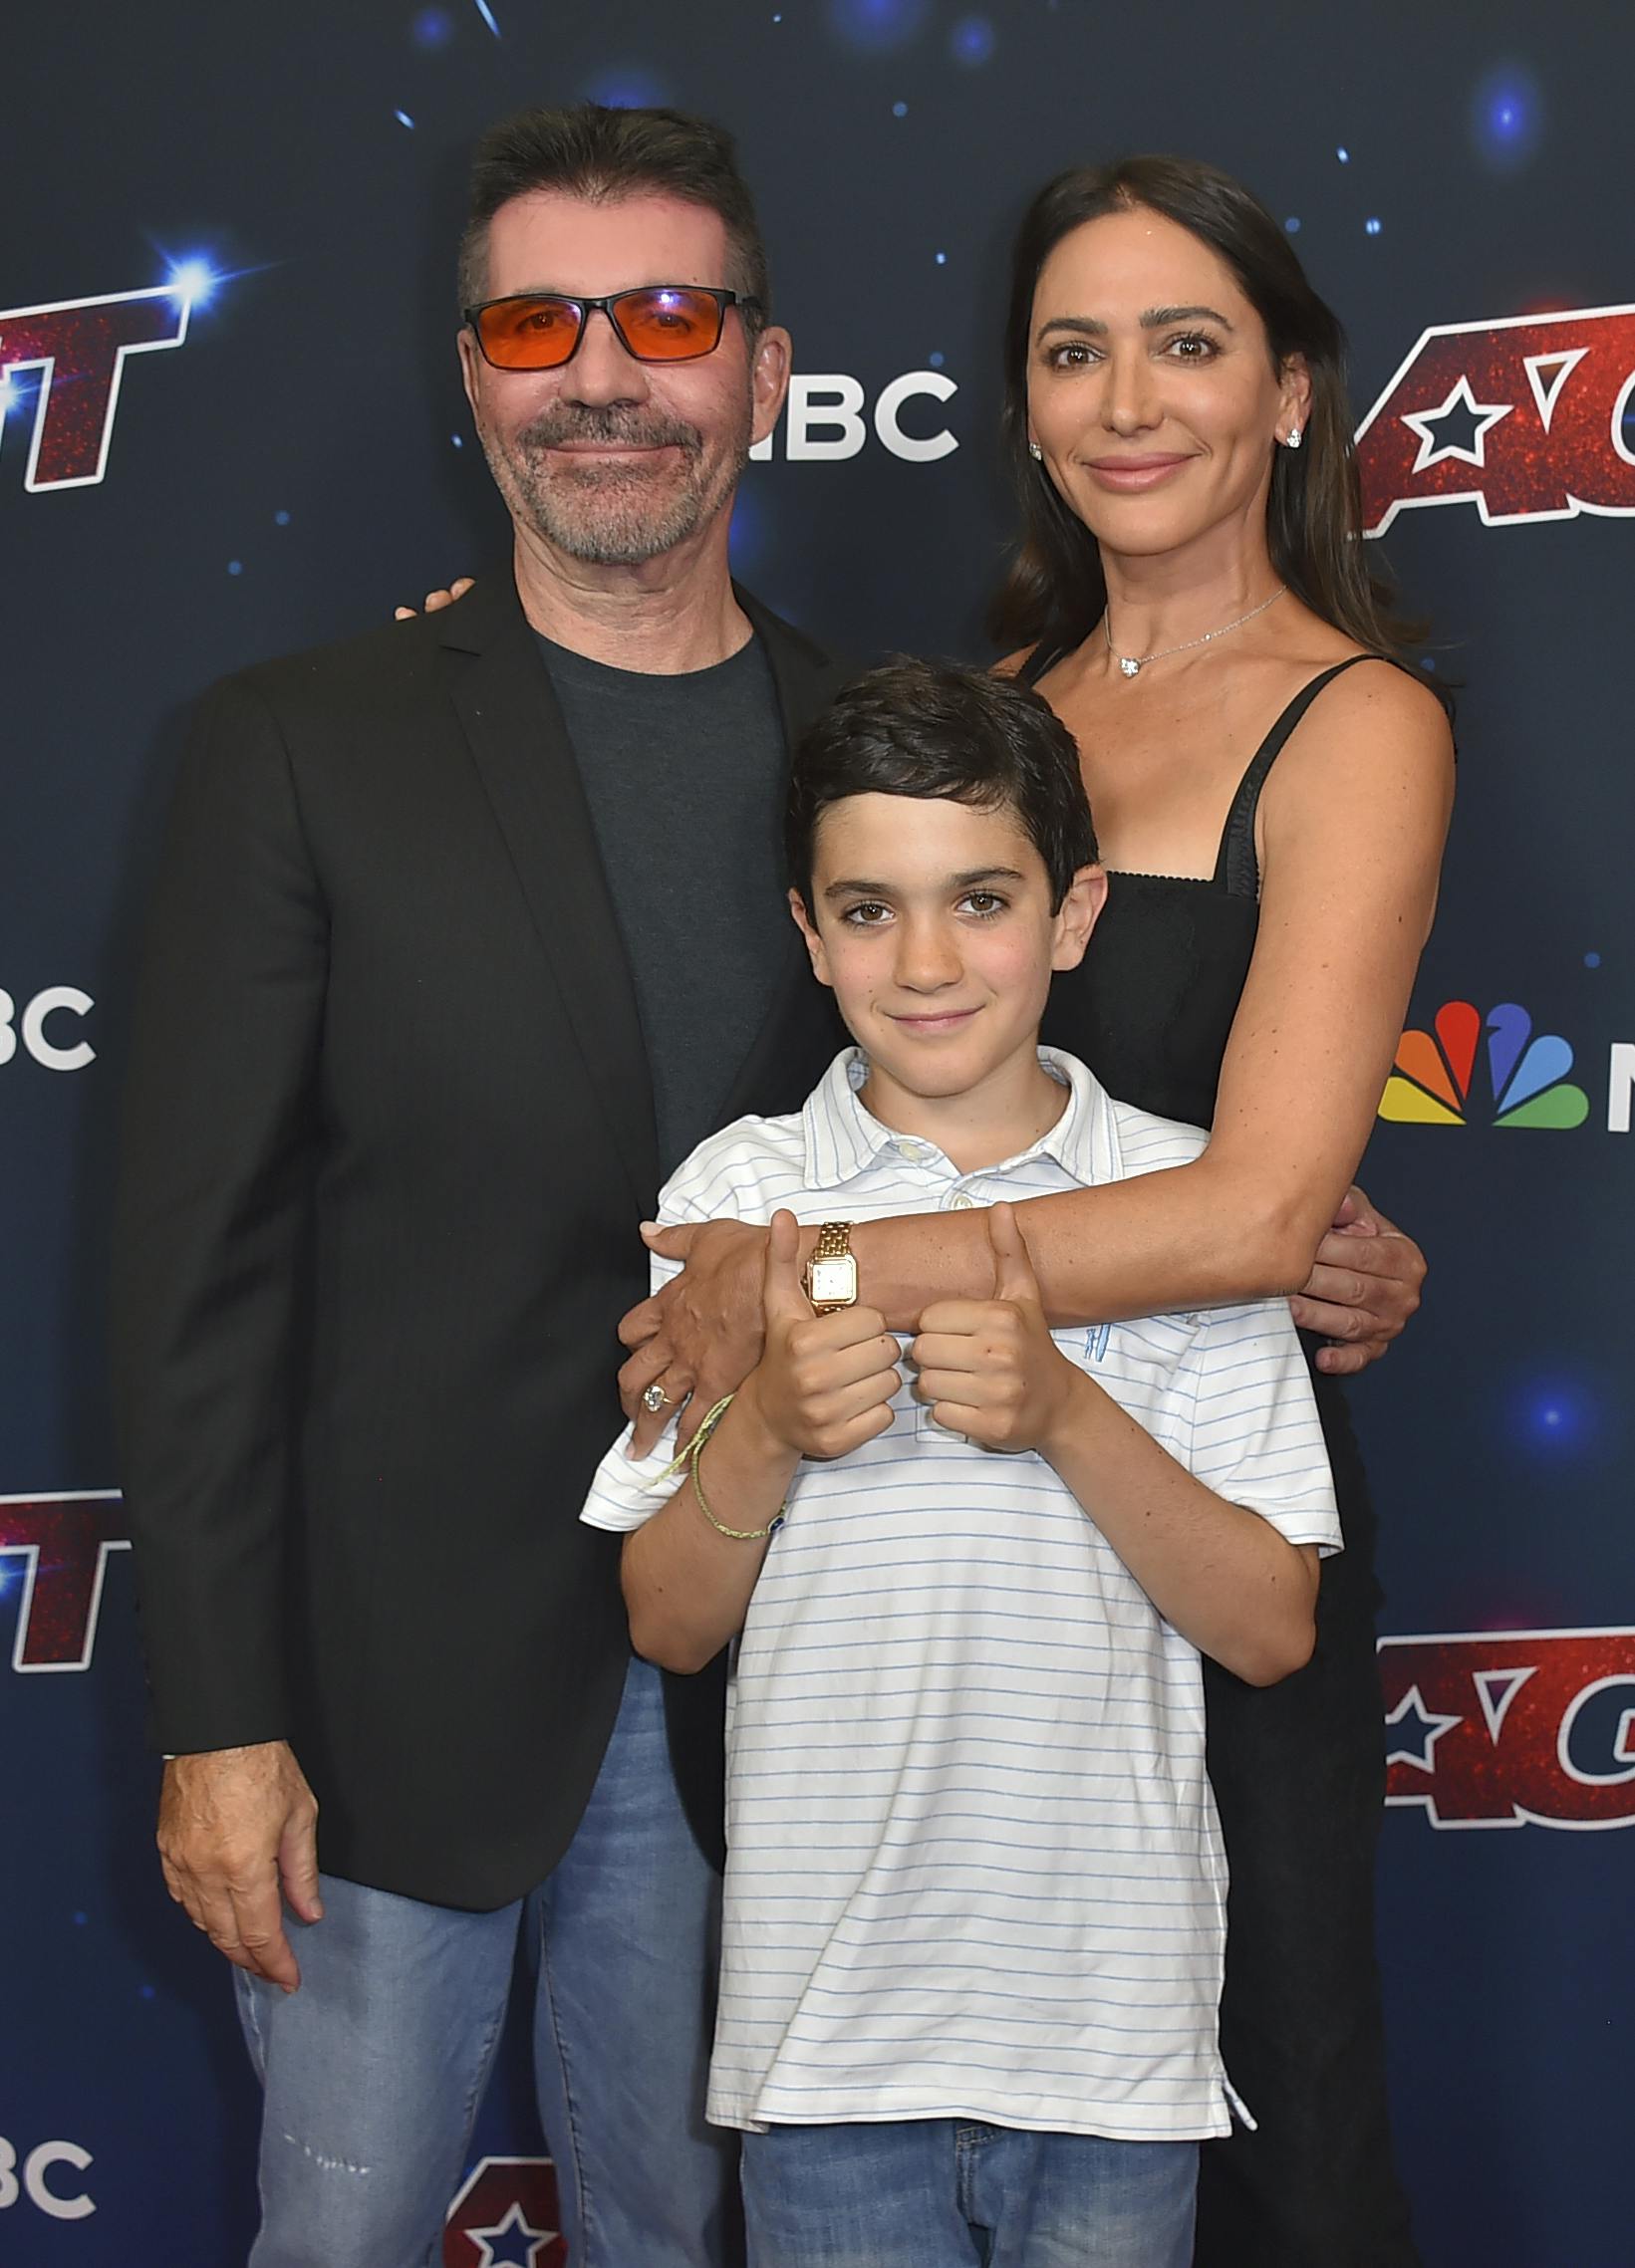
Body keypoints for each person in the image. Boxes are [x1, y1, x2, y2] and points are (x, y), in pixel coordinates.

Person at [620, 157, 1455, 2267]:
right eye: (1070, 349)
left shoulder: (1357, 720)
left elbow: (1260, 1209)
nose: (1124, 399)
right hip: (882, 1543)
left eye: (1186, 341)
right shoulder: (992, 701)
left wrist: (796, 1270)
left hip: (1187, 1508)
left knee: (1271, 2106)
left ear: (1287, 391)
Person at [110, 103, 853, 2268]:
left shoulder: (898, 746)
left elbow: (1021, 1124)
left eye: (664, 314)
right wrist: (220, 1716)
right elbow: (196, 1273)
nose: (599, 374)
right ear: (471, 376)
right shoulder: (297, 741)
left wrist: (1294, 1231)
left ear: (766, 370)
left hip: (769, 1678)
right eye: (536, 318)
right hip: (382, 1699)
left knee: (684, 2235)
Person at [582, 655, 1344, 2268]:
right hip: (824, 2038)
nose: (925, 961)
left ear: (1072, 913)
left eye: (978, 899)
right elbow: (667, 1617)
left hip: (1111, 2037)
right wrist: (773, 1426)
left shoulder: (1178, 1198)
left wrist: (1070, 1412)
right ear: (806, 931)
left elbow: (1272, 1625)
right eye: (867, 910)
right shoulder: (741, 1196)